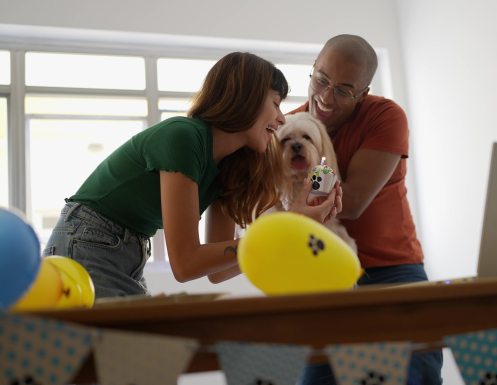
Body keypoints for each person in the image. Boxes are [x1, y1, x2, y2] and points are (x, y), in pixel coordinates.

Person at [42, 52, 340, 299]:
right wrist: (287, 226)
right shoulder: (183, 137)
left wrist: (290, 235)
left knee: (136, 361)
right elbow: (185, 263)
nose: (281, 118)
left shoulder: (230, 167)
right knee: (132, 360)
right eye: (275, 103)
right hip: (88, 239)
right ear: (246, 97)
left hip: (122, 249)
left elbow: (217, 271)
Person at [290, 35, 443, 384]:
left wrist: (313, 157)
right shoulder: (289, 127)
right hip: (319, 278)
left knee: (414, 376)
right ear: (312, 69)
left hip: (391, 271)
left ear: (364, 92)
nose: (326, 97)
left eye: (344, 90)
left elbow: (352, 202)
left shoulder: (385, 116)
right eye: (322, 80)